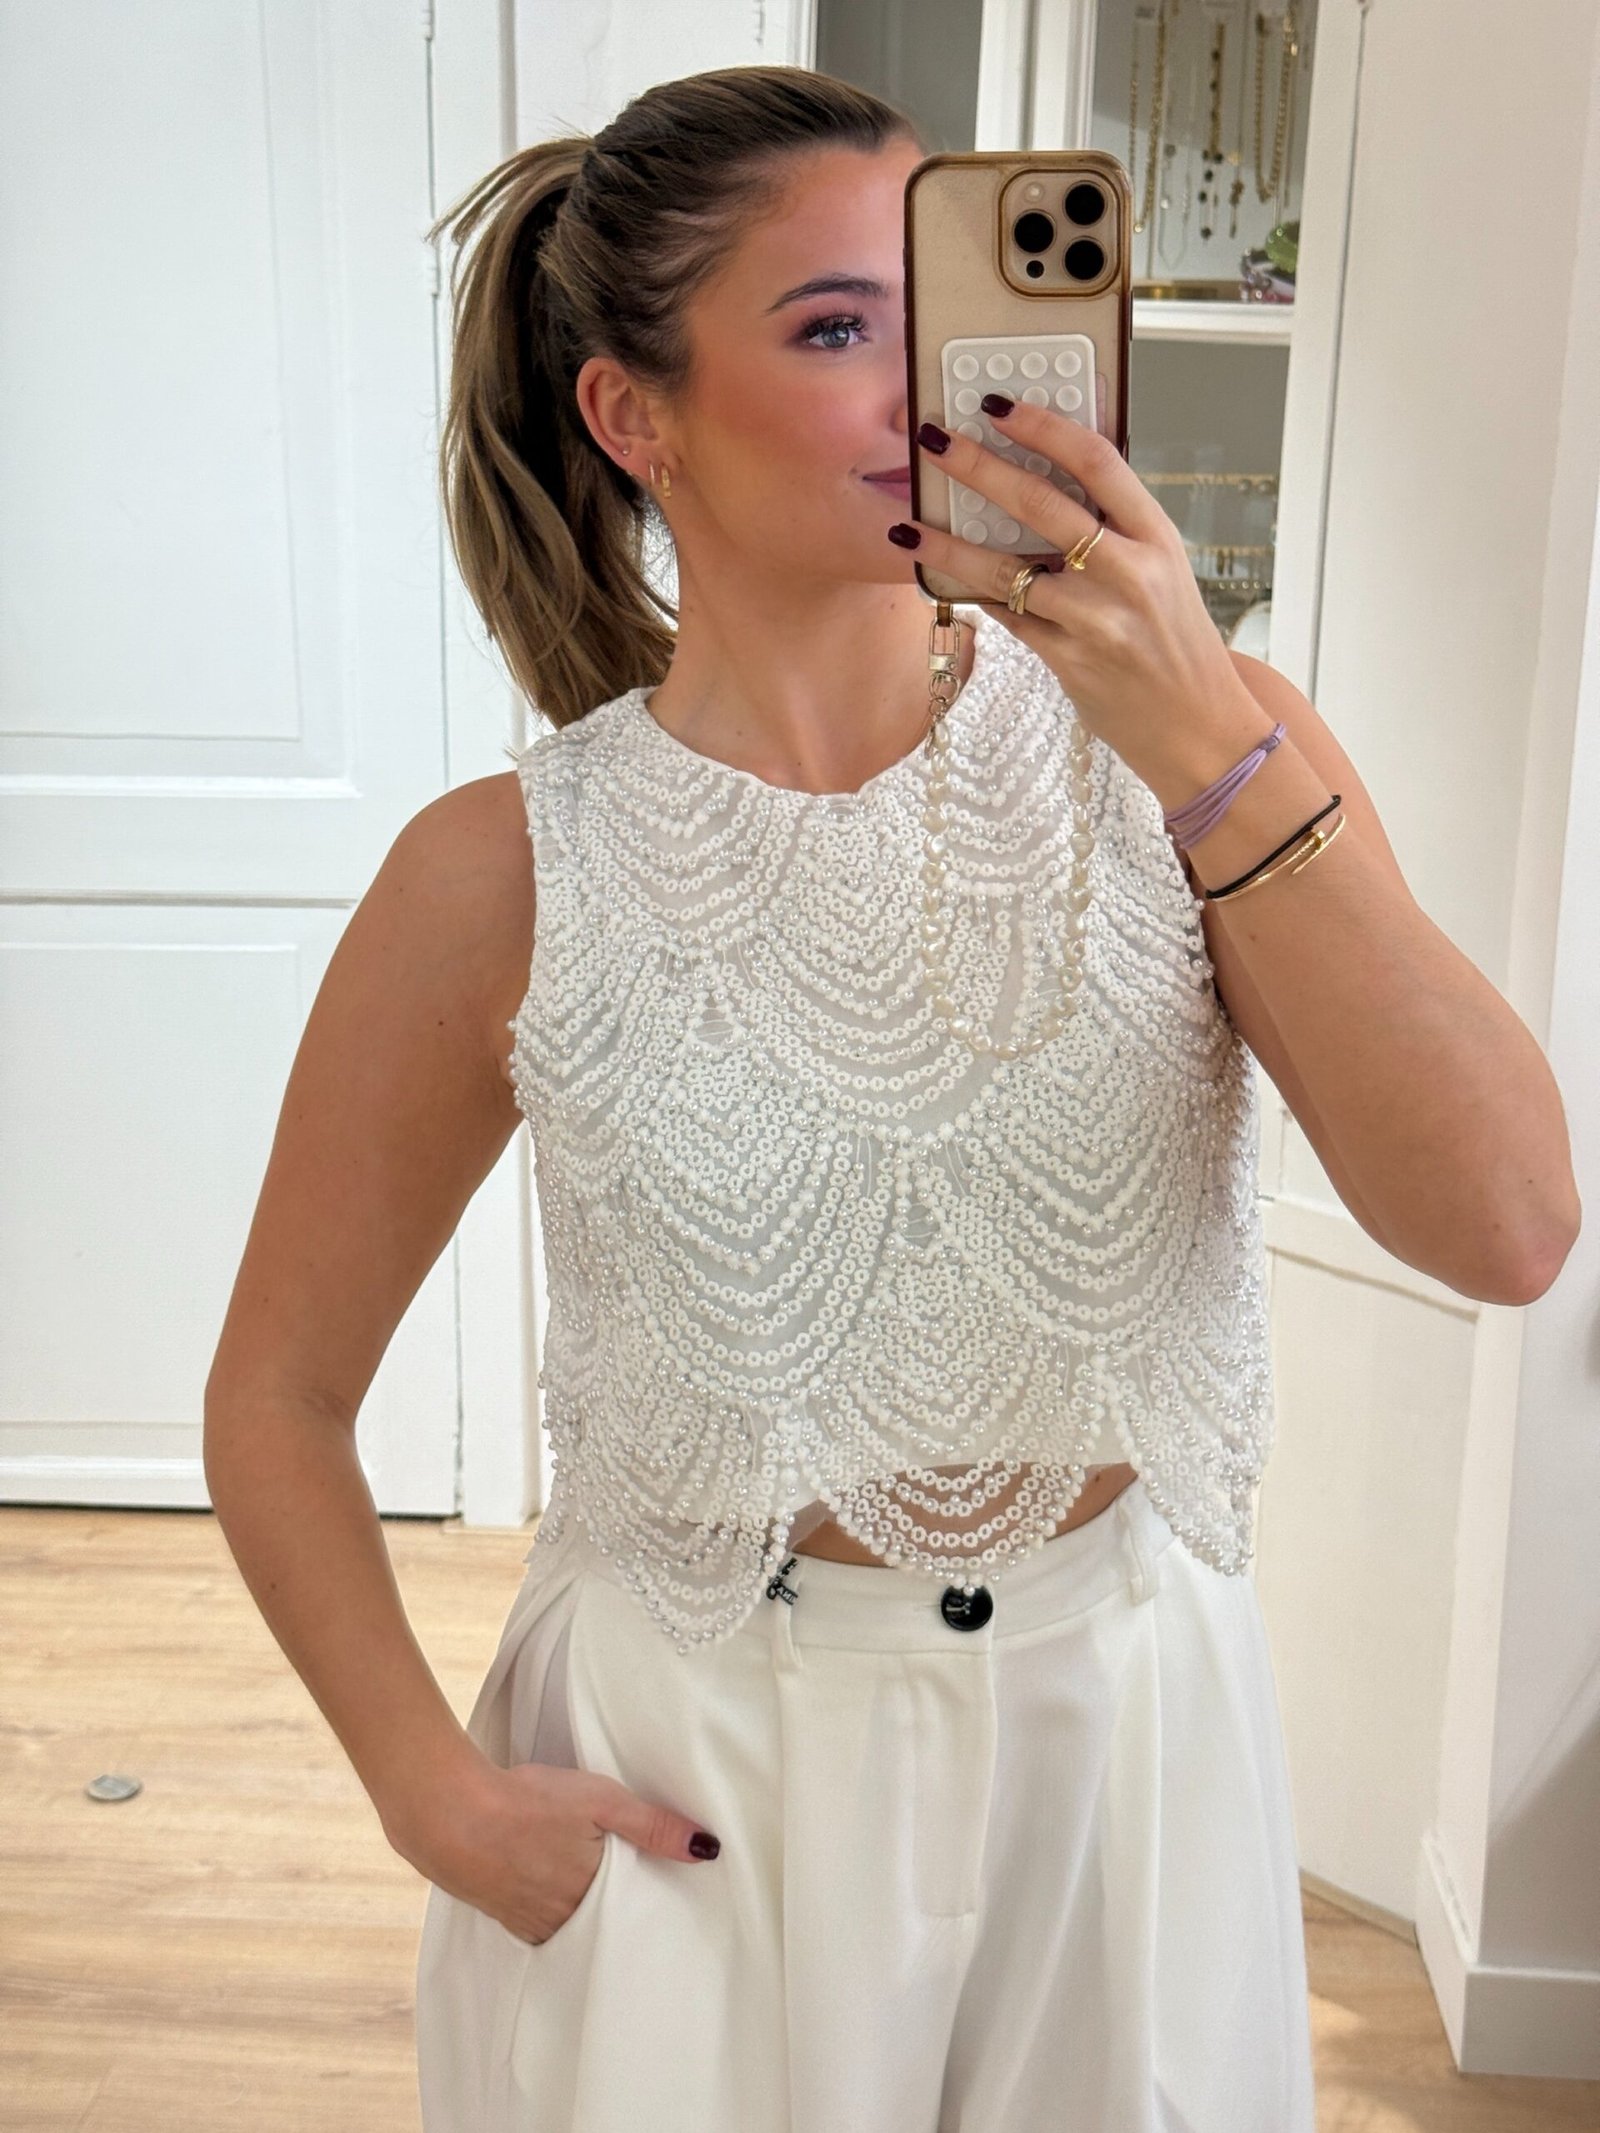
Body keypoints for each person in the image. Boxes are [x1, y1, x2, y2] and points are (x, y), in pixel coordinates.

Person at [202, 62, 1581, 2133]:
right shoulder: (504, 874)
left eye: (941, 310)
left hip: (1123, 1739)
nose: (927, 385)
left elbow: (1506, 1222)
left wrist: (1202, 743)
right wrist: (430, 1790)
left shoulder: (1209, 753)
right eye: (838, 324)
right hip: (692, 1766)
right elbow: (279, 1392)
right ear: (634, 416)